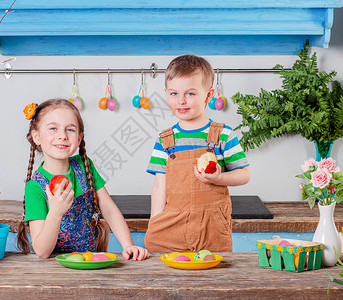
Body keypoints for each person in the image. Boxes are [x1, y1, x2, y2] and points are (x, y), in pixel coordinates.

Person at [17, 99, 149, 260]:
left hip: (89, 261)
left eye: (70, 130)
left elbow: (109, 209)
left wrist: (128, 245)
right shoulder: (35, 187)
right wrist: (55, 213)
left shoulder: (84, 166)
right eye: (53, 128)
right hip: (53, 270)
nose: (62, 136)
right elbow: (42, 251)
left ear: (79, 139)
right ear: (36, 137)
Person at [145, 55, 251, 252]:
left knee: (212, 276)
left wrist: (219, 178)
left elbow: (244, 174)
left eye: (191, 94)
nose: (181, 101)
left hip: (212, 227)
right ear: (166, 93)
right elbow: (159, 186)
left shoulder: (223, 134)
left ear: (208, 96)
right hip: (172, 225)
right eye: (174, 93)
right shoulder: (164, 140)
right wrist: (155, 223)